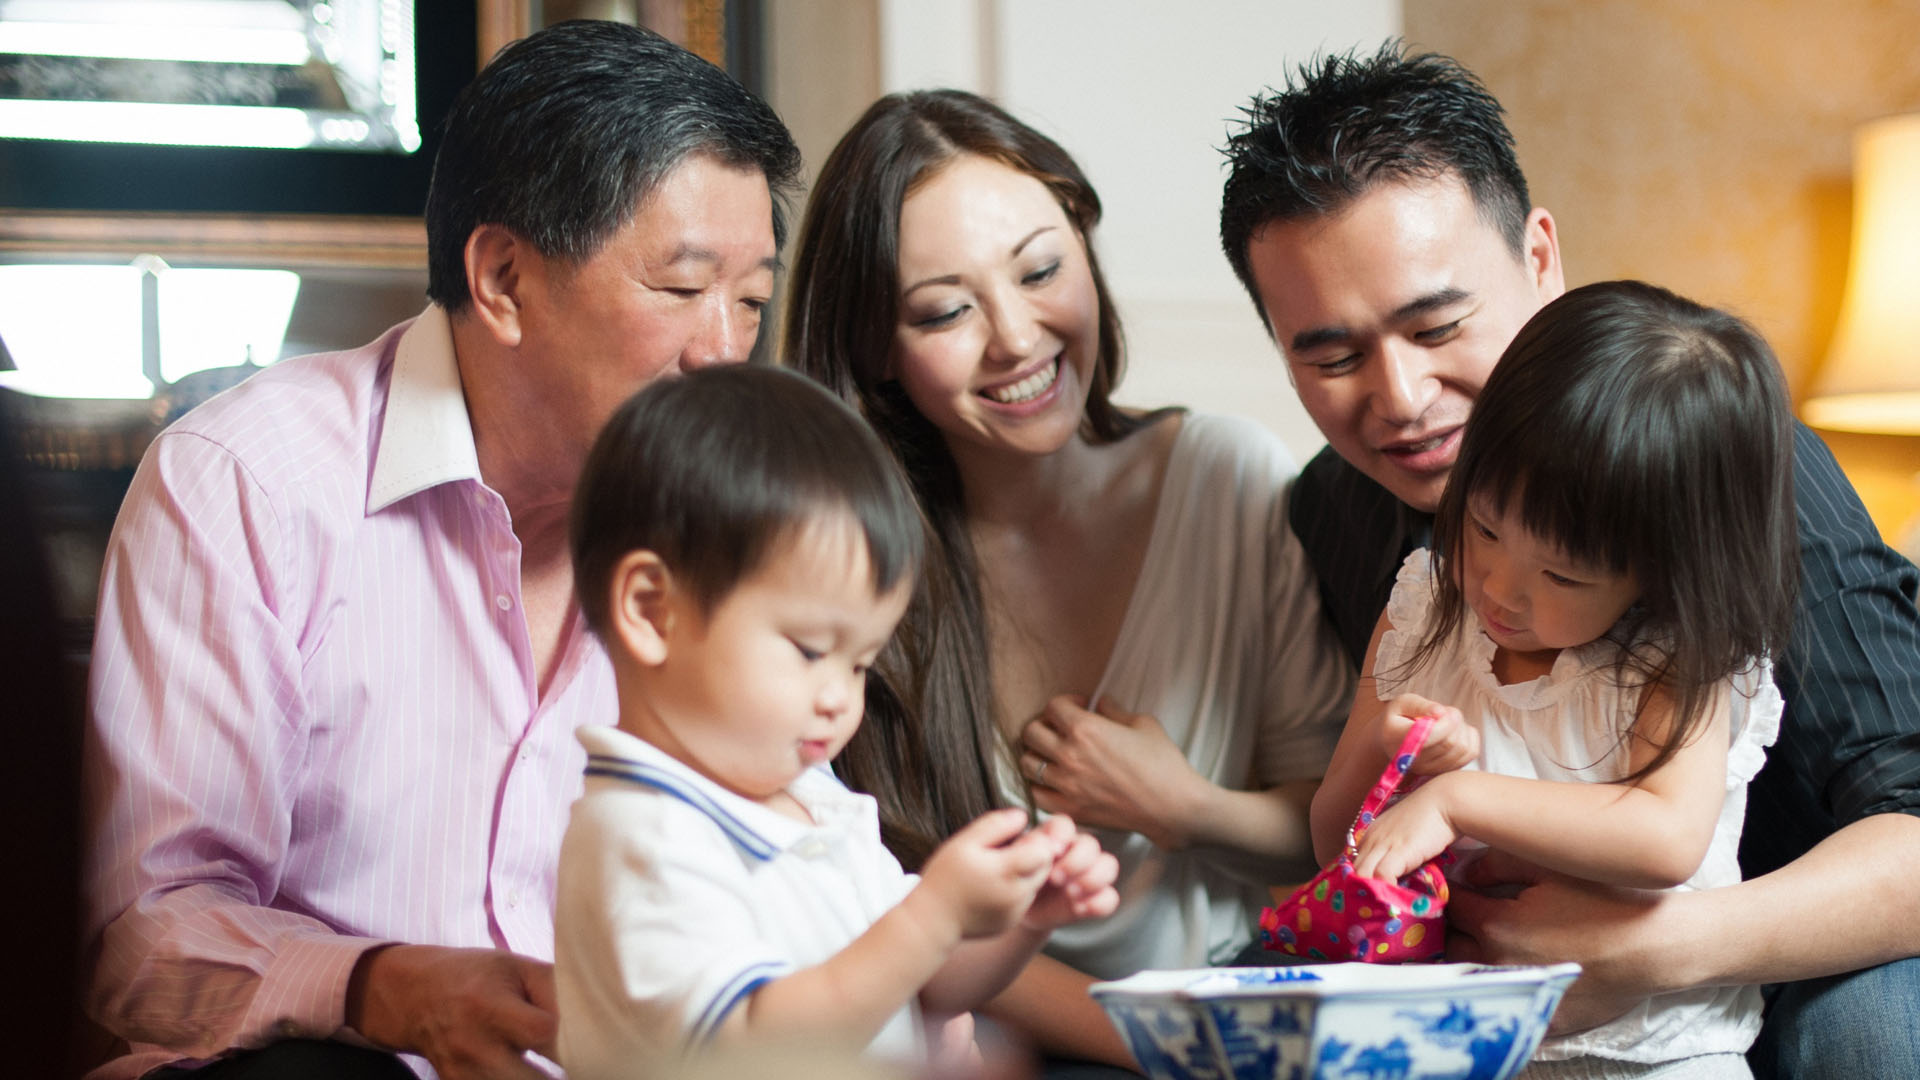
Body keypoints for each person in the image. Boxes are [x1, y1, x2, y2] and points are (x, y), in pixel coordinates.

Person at [82, 20, 800, 1080]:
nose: (724, 353)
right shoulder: (248, 481)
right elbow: (147, 931)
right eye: (683, 290)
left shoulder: (735, 521)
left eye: (750, 302)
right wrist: (383, 989)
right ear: (504, 276)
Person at [1218, 45, 1920, 1079]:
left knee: (1865, 1040)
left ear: (1540, 258)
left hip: (1777, 937)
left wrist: (1656, 949)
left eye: (1437, 324)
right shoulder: (1339, 507)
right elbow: (1356, 806)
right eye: (1331, 355)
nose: (1401, 398)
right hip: (1493, 988)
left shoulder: (1715, 468)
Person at [785, 88, 1354, 1067]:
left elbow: (1330, 836)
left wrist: (1185, 808)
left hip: (1228, 1021)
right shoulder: (843, 562)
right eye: (946, 311)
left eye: (1041, 269)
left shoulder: (1227, 476)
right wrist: (1156, 1047)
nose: (1014, 337)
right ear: (877, 348)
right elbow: (876, 920)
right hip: (1011, 1045)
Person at [552, 364, 1121, 1078]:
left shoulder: (815, 800)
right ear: (650, 610)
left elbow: (924, 981)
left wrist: (1020, 922)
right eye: (811, 650)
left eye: (860, 665)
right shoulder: (643, 836)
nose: (838, 698)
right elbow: (753, 1047)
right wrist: (934, 915)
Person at [1318, 281, 1794, 1077]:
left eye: (1564, 576)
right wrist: (1387, 756)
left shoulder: (1682, 654)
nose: (1501, 588)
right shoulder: (1425, 601)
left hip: (1654, 1053)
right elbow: (1333, 841)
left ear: (1659, 571)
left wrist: (1457, 796)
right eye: (1483, 526)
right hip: (1463, 1045)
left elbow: (1665, 838)